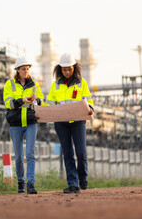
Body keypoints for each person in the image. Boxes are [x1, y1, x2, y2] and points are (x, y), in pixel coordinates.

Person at [46, 53, 94, 194]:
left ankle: (82, 179)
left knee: (81, 153)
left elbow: (88, 100)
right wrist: (42, 110)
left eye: (70, 69)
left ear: (74, 68)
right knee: (67, 154)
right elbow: (50, 104)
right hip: (61, 123)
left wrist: (90, 108)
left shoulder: (81, 83)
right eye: (64, 69)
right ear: (60, 69)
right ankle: (73, 184)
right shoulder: (55, 86)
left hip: (78, 121)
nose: (67, 72)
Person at [3, 57, 44, 194]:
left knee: (30, 154)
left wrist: (36, 100)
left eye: (27, 68)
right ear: (17, 70)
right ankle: (21, 182)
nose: (26, 71)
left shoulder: (34, 84)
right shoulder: (10, 84)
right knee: (19, 156)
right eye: (23, 69)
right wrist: (21, 100)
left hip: (31, 122)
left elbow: (41, 102)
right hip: (16, 124)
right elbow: (8, 102)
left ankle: (30, 184)